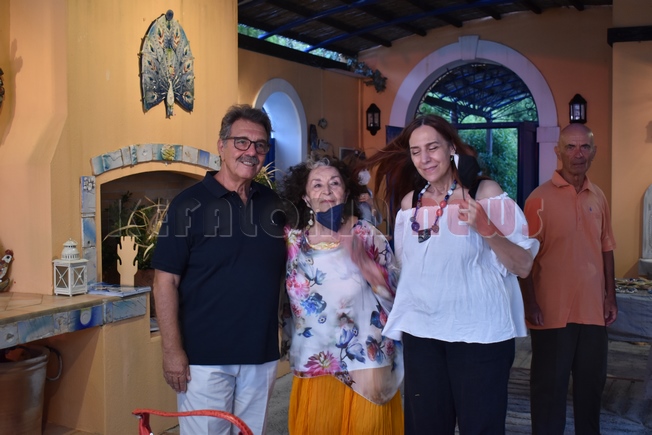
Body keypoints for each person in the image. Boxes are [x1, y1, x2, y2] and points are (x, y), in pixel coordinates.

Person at [363, 114, 539, 434]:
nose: (425, 158)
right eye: (416, 151)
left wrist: (486, 227)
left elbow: (523, 265)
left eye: (433, 147)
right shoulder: (410, 204)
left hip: (479, 335)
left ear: (452, 148)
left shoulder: (484, 194)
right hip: (423, 335)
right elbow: (407, 270)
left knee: (480, 427)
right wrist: (376, 273)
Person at [151, 104, 286, 434]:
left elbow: (291, 270)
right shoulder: (187, 205)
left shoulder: (274, 204)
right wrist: (172, 351)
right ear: (221, 146)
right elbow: (164, 282)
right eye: (241, 142)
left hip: (261, 353)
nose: (251, 152)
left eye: (260, 145)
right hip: (204, 359)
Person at [278, 155, 404, 434]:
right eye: (317, 185)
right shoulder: (293, 241)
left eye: (334, 183)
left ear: (345, 193)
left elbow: (398, 294)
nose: (326, 191)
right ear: (305, 197)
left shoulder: (366, 234)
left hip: (366, 358)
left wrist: (366, 264)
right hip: (315, 358)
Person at [520, 123, 617, 434]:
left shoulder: (598, 196)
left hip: (593, 312)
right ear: (558, 151)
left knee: (591, 389)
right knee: (549, 392)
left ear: (594, 152)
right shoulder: (538, 199)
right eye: (571, 147)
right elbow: (524, 258)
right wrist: (530, 302)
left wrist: (610, 296)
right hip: (551, 312)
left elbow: (606, 248)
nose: (578, 154)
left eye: (585, 147)